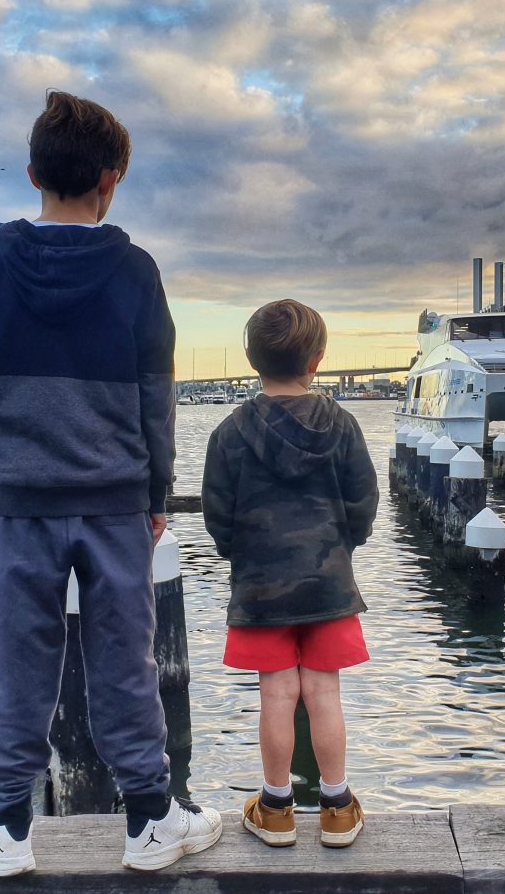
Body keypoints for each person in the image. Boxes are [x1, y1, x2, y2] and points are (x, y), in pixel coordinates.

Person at [0, 91, 221, 876]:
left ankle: (5, 826)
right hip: (112, 497)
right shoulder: (134, 270)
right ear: (112, 179)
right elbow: (154, 394)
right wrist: (157, 493)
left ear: (32, 172)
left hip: (15, 501)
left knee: (9, 658)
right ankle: (148, 818)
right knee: (124, 658)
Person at [202, 299, 378, 850]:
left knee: (276, 694)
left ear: (252, 359)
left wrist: (243, 553)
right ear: (319, 360)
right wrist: (342, 545)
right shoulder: (343, 426)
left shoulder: (230, 433)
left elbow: (217, 513)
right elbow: (364, 504)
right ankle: (338, 807)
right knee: (325, 692)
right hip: (328, 582)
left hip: (261, 587)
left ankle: (275, 808)